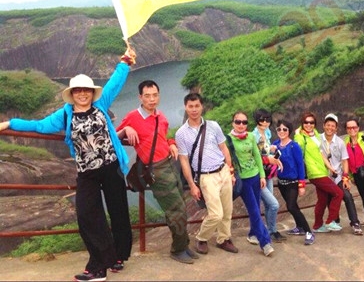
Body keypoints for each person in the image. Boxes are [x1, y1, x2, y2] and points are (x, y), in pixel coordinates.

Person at [0, 47, 136, 282]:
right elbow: (39, 126)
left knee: (119, 212)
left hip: (111, 166)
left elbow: (115, 81)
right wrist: (9, 122)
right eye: (78, 90)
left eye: (86, 90)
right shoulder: (65, 115)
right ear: (72, 94)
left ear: (91, 92)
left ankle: (117, 257)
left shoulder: (101, 102)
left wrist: (125, 61)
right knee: (87, 216)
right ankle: (97, 266)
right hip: (87, 174)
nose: (82, 94)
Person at [116, 80, 198, 264]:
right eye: (147, 96)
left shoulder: (161, 116)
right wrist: (126, 128)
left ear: (158, 96)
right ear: (140, 97)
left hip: (170, 164)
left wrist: (170, 143)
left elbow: (163, 136)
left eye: (155, 95)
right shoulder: (132, 117)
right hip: (156, 170)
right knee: (176, 210)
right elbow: (114, 135)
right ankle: (177, 250)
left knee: (180, 207)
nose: (151, 99)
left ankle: (184, 245)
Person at [175, 93, 238, 255]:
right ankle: (202, 238)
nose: (194, 109)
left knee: (227, 210)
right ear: (185, 107)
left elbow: (224, 148)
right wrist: (191, 185)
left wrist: (230, 171)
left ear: (202, 106)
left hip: (222, 170)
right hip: (205, 176)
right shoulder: (181, 133)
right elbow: (184, 161)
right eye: (190, 106)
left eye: (197, 106)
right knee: (216, 214)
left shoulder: (213, 126)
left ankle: (224, 238)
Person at [227, 111, 274, 257]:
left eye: (244, 122)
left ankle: (253, 233)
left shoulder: (251, 136)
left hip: (255, 176)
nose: (241, 125)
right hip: (243, 180)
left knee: (257, 208)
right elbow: (227, 160)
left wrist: (262, 175)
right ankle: (265, 243)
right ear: (233, 123)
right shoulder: (228, 140)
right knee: (254, 210)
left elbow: (257, 156)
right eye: (238, 122)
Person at [294, 111, 343, 235]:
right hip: (314, 172)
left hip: (322, 170)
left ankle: (317, 225)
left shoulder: (314, 134)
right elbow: (298, 153)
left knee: (322, 199)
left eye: (311, 122)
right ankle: (330, 221)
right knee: (338, 193)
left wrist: (330, 168)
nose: (309, 125)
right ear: (302, 123)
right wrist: (297, 133)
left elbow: (321, 153)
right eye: (306, 122)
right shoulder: (300, 137)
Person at [272, 119, 314, 245]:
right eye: (279, 129)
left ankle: (308, 232)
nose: (282, 131)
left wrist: (302, 184)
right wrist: (270, 150)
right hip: (281, 182)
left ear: (289, 131)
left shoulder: (294, 146)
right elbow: (270, 159)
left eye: (285, 129)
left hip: (293, 182)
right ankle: (300, 227)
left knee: (291, 206)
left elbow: (300, 165)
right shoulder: (275, 144)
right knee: (293, 207)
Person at [319, 113, 363, 235]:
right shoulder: (317, 139)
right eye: (328, 125)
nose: (330, 128)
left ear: (336, 128)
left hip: (337, 176)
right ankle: (335, 220)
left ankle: (355, 222)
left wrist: (345, 177)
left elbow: (344, 160)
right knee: (328, 198)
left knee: (347, 196)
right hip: (324, 176)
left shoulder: (340, 142)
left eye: (333, 126)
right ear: (323, 126)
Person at [251, 108, 286, 244]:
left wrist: (271, 149)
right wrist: (268, 158)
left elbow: (265, 149)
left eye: (267, 119)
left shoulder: (267, 132)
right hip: (259, 174)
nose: (265, 122)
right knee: (274, 204)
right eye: (262, 119)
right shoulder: (253, 135)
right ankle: (264, 231)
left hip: (268, 173)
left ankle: (271, 231)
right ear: (257, 120)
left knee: (268, 205)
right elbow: (254, 155)